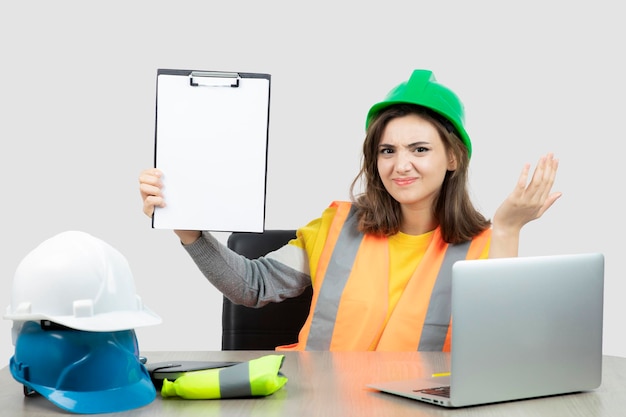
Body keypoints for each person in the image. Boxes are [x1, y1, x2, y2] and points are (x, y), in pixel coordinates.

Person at [139, 69, 560, 352]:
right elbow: (251, 286)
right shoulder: (339, 225)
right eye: (387, 151)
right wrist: (188, 230)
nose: (401, 165)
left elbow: (500, 351)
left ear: (452, 158)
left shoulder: (488, 246)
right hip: (319, 402)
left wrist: (507, 229)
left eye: (420, 149)